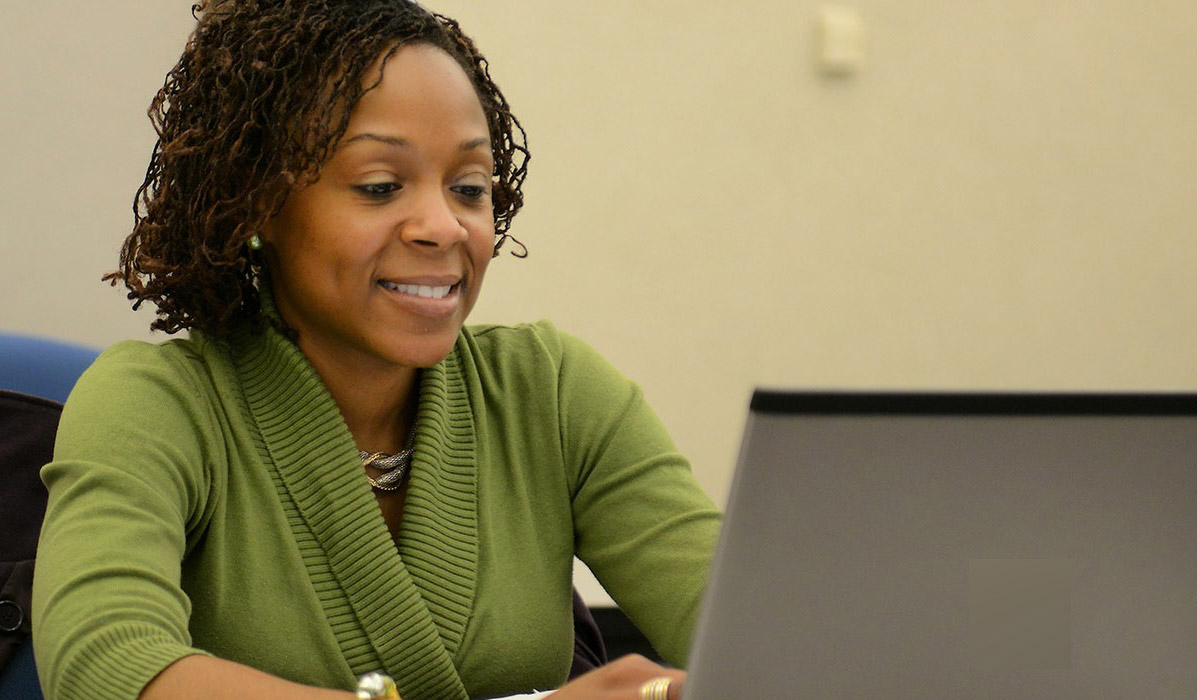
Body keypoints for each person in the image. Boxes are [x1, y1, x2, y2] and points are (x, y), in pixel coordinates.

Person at [31, 1, 721, 698]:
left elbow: (760, 627)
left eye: (470, 188)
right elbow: (105, 667)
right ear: (257, 207)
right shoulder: (155, 404)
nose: (442, 225)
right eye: (380, 186)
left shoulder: (554, 391)